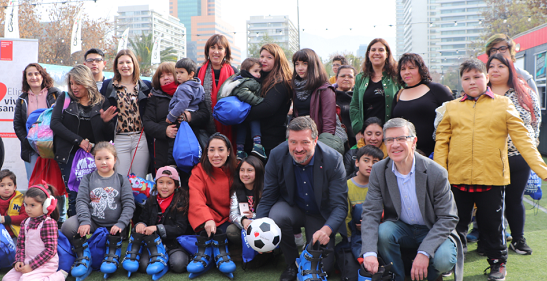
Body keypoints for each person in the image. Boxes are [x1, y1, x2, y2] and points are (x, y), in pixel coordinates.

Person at [434, 59, 547, 280]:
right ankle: (449, 259)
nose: (472, 81)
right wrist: (440, 176)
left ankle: (498, 263)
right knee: (455, 223)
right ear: (461, 82)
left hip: (492, 178)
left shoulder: (503, 104)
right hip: (457, 178)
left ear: (487, 77)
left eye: (477, 76)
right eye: (466, 78)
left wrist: (543, 171)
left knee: (493, 226)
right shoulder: (452, 107)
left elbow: (524, 140)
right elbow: (442, 144)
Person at [361, 118, 458, 281]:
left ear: (414, 141)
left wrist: (424, 252)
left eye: (401, 138)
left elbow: (448, 218)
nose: (395, 144)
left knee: (443, 259)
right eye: (390, 140)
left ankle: (433, 277)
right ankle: (397, 277)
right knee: (383, 232)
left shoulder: (436, 172)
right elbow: (371, 213)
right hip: (402, 227)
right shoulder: (379, 170)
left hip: (432, 228)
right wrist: (369, 252)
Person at [256, 116, 348, 281]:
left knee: (324, 267)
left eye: (305, 142)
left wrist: (327, 229)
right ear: (288, 140)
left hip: (320, 214)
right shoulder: (277, 155)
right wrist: (257, 229)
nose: (298, 149)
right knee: (277, 216)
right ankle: (292, 264)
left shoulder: (333, 160)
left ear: (315, 140)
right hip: (293, 207)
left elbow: (340, 205)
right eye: (293, 142)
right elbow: (268, 196)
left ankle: (307, 259)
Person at [487, 54, 541, 255]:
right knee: (491, 202)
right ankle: (490, 241)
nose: (495, 69)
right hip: (490, 158)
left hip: (519, 157)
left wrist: (531, 147)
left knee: (514, 200)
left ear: (510, 69)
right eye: (491, 66)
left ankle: (518, 239)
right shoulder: (482, 94)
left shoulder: (524, 93)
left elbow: (535, 122)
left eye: (501, 66)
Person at [51, 64, 117, 219]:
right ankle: (76, 236)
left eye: (78, 83)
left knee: (95, 195)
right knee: (74, 197)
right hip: (69, 155)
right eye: (71, 83)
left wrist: (107, 122)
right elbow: (55, 124)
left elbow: (108, 137)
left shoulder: (102, 102)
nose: (74, 87)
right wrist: (79, 141)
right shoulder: (65, 98)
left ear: (87, 82)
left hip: (94, 156)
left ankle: (94, 231)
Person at [61, 142, 135, 278]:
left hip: (114, 226)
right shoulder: (87, 179)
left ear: (115, 160)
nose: (103, 162)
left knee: (116, 233)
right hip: (93, 222)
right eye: (99, 158)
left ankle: (113, 249)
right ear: (94, 160)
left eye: (107, 158)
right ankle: (83, 253)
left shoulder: (122, 180)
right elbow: (81, 201)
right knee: (68, 226)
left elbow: (129, 204)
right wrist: (85, 221)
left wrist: (121, 223)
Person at [126, 166, 190, 275]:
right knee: (143, 266)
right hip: (153, 244)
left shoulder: (181, 202)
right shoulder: (151, 201)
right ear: (156, 184)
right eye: (161, 182)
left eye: (169, 183)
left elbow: (181, 228)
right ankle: (160, 260)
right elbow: (142, 219)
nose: (164, 187)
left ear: (176, 185)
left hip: (174, 244)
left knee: (179, 264)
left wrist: (157, 228)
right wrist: (140, 224)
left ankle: (164, 261)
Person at [100, 49, 151, 178]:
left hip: (140, 137)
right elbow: (101, 109)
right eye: (121, 62)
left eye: (128, 62)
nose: (125, 66)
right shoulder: (109, 85)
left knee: (140, 180)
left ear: (134, 64)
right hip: (119, 138)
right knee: (122, 178)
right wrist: (105, 119)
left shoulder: (146, 86)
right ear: (116, 66)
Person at [392, 53, 453, 156]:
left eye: (411, 68)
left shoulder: (436, 89)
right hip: (406, 155)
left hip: (435, 154)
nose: (407, 72)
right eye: (403, 69)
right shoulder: (399, 95)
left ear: (421, 69)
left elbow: (454, 116)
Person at [2, 184, 67, 281]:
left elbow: (50, 250)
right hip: (27, 262)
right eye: (26, 204)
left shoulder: (48, 223)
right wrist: (19, 260)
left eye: (32, 205)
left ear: (45, 205)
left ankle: (59, 276)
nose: (28, 209)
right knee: (7, 279)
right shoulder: (25, 222)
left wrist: (31, 266)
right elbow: (20, 245)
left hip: (45, 265)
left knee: (25, 280)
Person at [292, 48, 347, 154]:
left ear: (312, 65)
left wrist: (320, 145)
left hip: (321, 136)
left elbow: (329, 124)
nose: (300, 68)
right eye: (297, 64)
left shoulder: (325, 89)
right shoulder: (296, 87)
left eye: (304, 63)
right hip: (301, 135)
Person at [13, 63, 61, 180]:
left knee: (55, 184)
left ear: (42, 75)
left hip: (53, 146)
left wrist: (55, 141)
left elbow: (63, 119)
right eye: (29, 74)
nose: (33, 77)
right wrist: (29, 142)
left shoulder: (55, 94)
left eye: (36, 73)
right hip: (31, 149)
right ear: (26, 78)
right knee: (35, 184)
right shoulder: (22, 99)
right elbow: (18, 125)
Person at [245, 43, 292, 156]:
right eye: (262, 56)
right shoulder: (260, 77)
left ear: (278, 60)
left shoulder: (280, 81)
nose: (263, 60)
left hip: (271, 140)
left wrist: (242, 112)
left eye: (269, 57)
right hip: (255, 139)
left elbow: (268, 107)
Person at [188, 133, 238, 236]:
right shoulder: (199, 170)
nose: (216, 155)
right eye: (211, 150)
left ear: (228, 152)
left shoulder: (238, 168)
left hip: (236, 217)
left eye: (221, 149)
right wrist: (207, 219)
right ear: (206, 152)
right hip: (211, 218)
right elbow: (196, 198)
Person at [350, 38, 400, 139]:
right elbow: (354, 106)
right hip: (367, 135)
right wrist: (359, 130)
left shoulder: (396, 77)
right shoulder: (360, 78)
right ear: (368, 54)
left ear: (387, 54)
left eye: (381, 50)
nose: (376, 53)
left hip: (391, 134)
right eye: (373, 50)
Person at [217, 58, 266, 160]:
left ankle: (240, 151)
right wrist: (258, 101)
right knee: (255, 120)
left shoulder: (236, 79)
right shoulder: (251, 81)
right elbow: (242, 92)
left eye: (259, 72)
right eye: (255, 71)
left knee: (241, 128)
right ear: (246, 71)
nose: (259, 74)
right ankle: (257, 145)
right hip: (246, 108)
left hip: (239, 111)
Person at [196, 34, 238, 144]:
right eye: (212, 47)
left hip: (229, 125)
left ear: (225, 52)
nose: (216, 51)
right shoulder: (198, 72)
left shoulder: (234, 72)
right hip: (204, 125)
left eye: (220, 48)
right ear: (207, 50)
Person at [345, 145, 383, 260]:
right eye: (366, 160)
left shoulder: (382, 186)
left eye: (375, 162)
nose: (370, 165)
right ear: (357, 162)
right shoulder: (347, 186)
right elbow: (346, 216)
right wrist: (349, 236)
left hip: (378, 231)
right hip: (355, 233)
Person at [143, 62, 180, 171]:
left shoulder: (189, 92)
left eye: (169, 74)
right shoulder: (154, 97)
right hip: (162, 150)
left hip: (185, 146)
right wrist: (164, 131)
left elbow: (203, 115)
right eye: (161, 76)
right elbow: (147, 122)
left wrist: (189, 116)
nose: (165, 78)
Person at [227, 156, 264, 240]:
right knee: (231, 230)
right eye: (242, 170)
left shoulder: (265, 190)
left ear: (258, 171)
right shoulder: (236, 191)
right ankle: (241, 249)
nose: (245, 174)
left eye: (249, 170)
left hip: (263, 224)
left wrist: (254, 216)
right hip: (245, 225)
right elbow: (232, 215)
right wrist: (243, 221)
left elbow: (270, 212)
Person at [166, 58, 204, 125]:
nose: (178, 75)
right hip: (194, 116)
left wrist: (171, 116)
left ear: (191, 74)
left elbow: (182, 103)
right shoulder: (199, 86)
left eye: (181, 72)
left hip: (181, 118)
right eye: (177, 73)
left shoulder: (183, 87)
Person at [0, 170, 28, 242]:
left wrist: (5, 219)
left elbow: (25, 217)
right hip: (1, 235)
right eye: (2, 185)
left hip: (15, 235)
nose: (6, 188)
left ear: (15, 186)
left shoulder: (21, 199)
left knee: (15, 251)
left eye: (9, 185)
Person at [335, 65, 357, 148]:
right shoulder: (329, 98)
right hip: (335, 144)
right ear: (336, 79)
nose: (346, 79)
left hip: (356, 145)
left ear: (354, 80)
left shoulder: (359, 99)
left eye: (350, 76)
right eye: (343, 76)